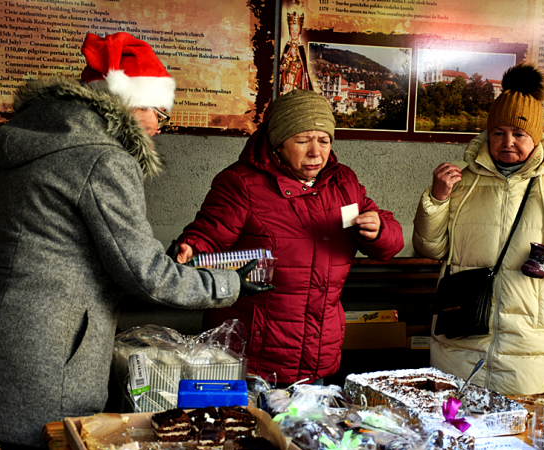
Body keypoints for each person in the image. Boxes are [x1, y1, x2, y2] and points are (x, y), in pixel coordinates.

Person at [0, 32, 271, 450]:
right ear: (128, 103)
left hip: (5, 331)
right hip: (50, 350)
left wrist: (154, 261)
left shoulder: (42, 139)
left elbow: (77, 246)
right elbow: (143, 274)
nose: (158, 128)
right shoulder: (104, 158)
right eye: (159, 114)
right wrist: (228, 283)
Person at [173, 88, 404, 386]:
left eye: (323, 140)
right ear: (278, 143)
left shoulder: (343, 183)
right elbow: (207, 235)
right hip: (252, 359)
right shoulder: (242, 184)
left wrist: (379, 231)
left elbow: (389, 244)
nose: (315, 152)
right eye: (302, 140)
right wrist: (189, 249)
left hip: (319, 355)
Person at [413, 63, 544, 396]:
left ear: (537, 136)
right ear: (487, 135)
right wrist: (437, 200)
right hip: (461, 339)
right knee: (456, 430)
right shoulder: (462, 182)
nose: (507, 142)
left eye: (519, 134)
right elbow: (431, 248)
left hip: (530, 345)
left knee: (521, 433)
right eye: (498, 133)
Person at [278, 11, 312, 94]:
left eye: (296, 29)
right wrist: (284, 65)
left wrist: (297, 66)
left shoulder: (300, 48)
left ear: (300, 31)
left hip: (297, 81)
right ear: (289, 30)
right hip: (286, 81)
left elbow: (304, 70)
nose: (294, 32)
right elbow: (281, 67)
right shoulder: (287, 47)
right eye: (292, 29)